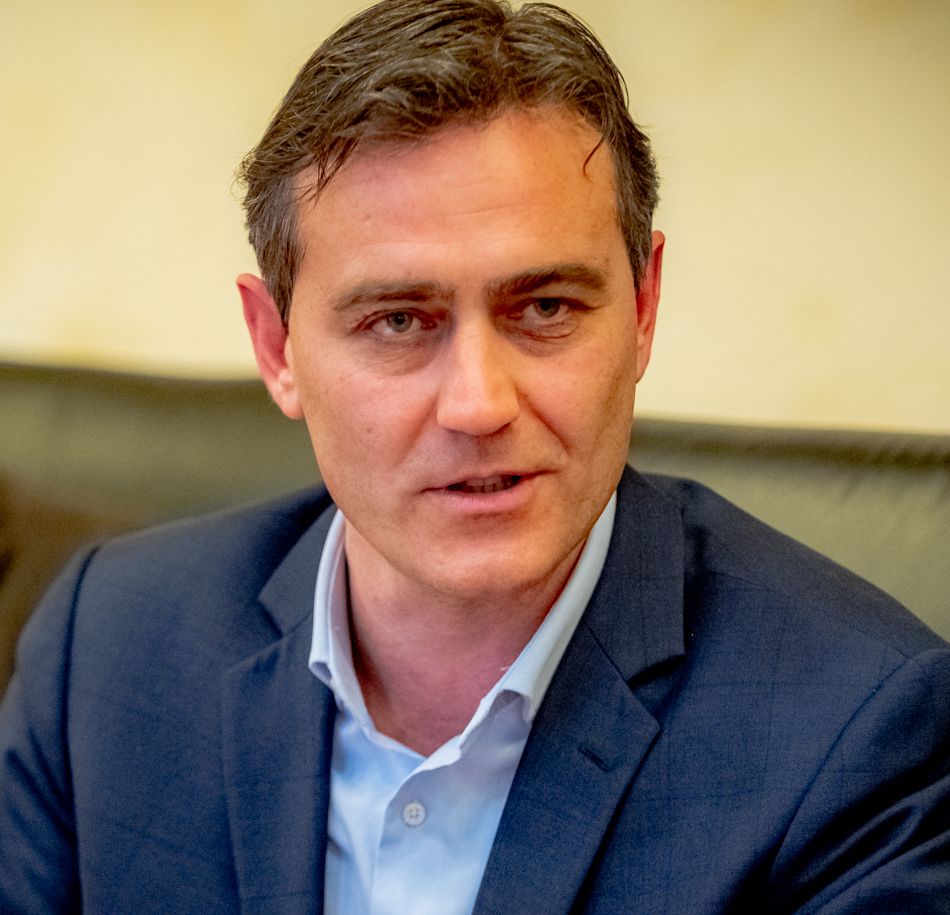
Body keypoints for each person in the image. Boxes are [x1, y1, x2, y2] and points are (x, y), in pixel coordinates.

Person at [1, 0, 948, 911]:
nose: (479, 404)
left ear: (644, 308)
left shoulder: (859, 734)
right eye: (398, 320)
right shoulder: (105, 646)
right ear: (276, 347)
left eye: (545, 308)